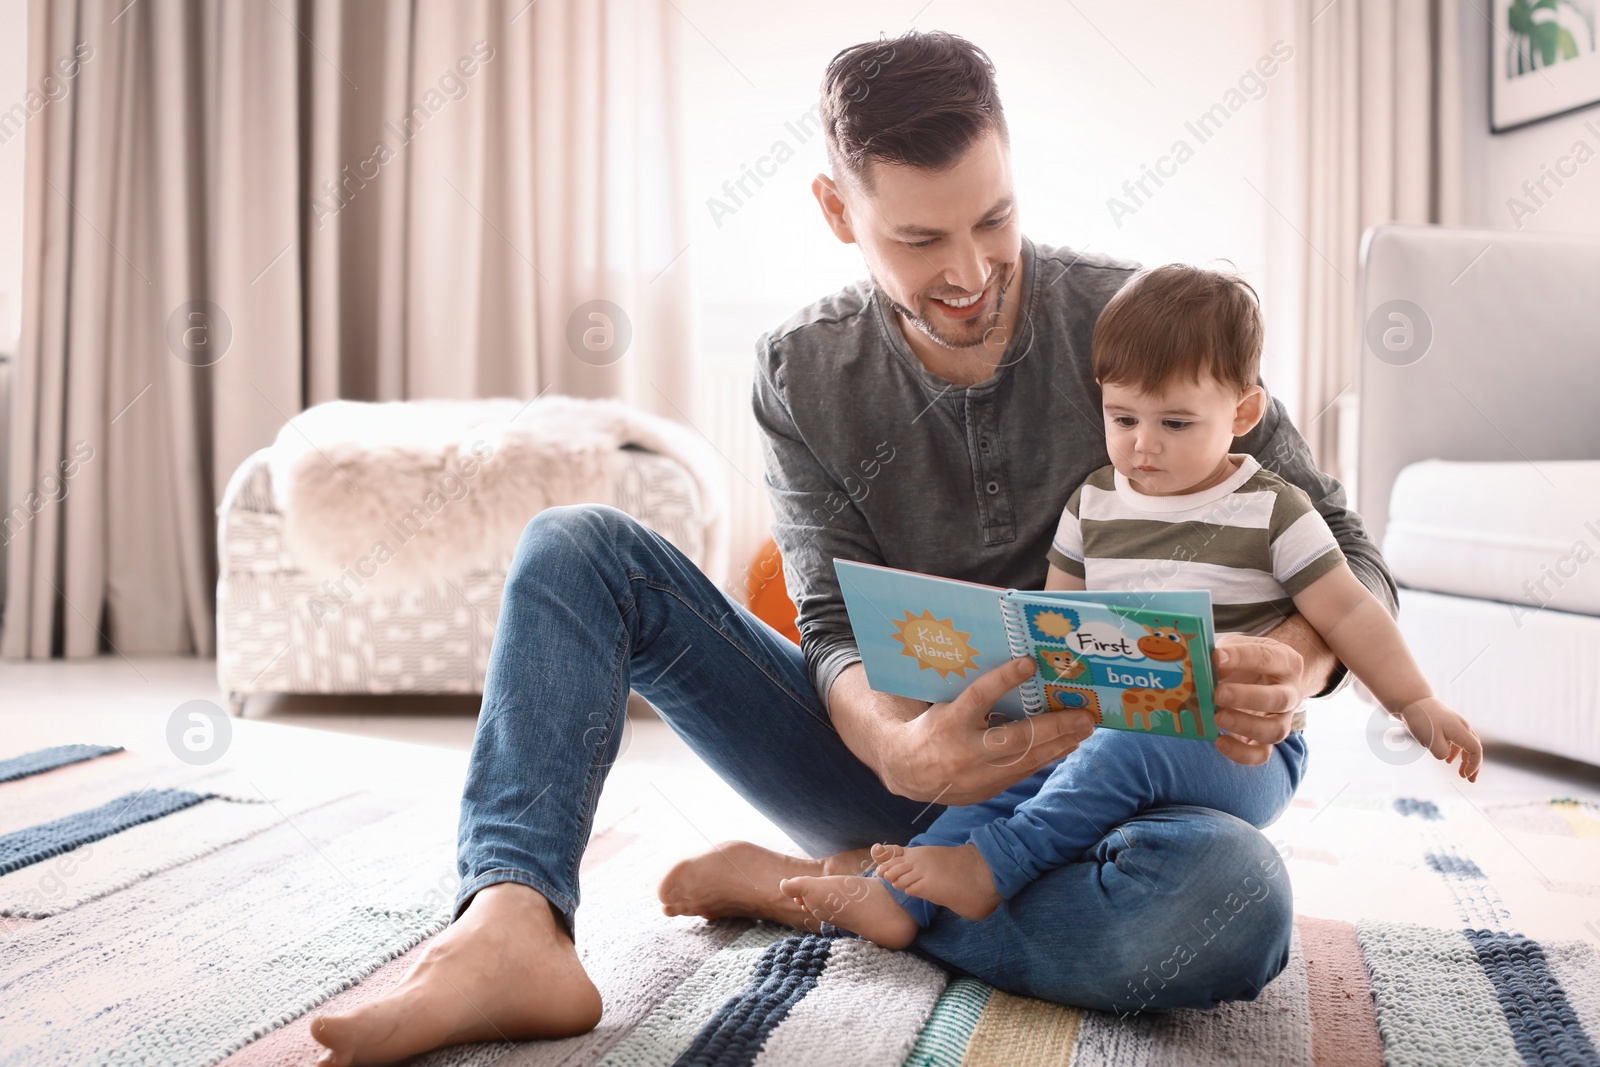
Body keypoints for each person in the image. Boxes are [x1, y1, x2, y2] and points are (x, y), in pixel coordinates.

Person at [310, 31, 1403, 1066]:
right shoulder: (803, 369)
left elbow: (1348, 547)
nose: (971, 272)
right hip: (897, 768)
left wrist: (1300, 659)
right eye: (920, 239)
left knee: (1232, 905)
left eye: (994, 219)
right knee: (578, 547)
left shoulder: (1139, 321)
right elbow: (825, 621)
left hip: (1113, 793)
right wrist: (894, 748)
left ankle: (828, 888)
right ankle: (511, 925)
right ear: (837, 209)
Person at [776, 263, 1484, 951]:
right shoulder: (1091, 506)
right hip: (1102, 727)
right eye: (1123, 417)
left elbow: (1350, 613)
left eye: (1175, 422)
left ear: (1242, 411)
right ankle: (901, 898)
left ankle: (994, 867)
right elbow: (1053, 632)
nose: (1143, 445)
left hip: (1244, 750)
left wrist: (1415, 700)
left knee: (1133, 743)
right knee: (1019, 757)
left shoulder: (1274, 508)